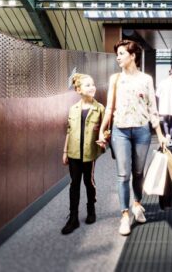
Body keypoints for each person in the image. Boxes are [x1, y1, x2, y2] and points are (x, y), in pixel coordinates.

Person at [97, 39, 169, 236]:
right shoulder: (115, 79)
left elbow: (152, 109)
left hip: (142, 131)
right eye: (117, 54)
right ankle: (125, 215)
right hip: (120, 131)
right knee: (123, 175)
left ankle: (137, 205)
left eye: (121, 53)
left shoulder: (146, 79)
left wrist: (160, 135)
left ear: (133, 56)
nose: (118, 57)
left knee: (138, 172)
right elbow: (110, 107)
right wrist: (102, 130)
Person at [61, 73, 105, 235]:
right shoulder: (73, 109)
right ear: (78, 89)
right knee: (74, 184)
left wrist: (103, 137)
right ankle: (73, 218)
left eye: (93, 84)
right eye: (87, 85)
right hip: (73, 152)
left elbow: (106, 129)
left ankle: (91, 208)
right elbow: (69, 131)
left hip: (89, 153)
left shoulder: (100, 108)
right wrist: (65, 151)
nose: (92, 87)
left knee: (88, 181)